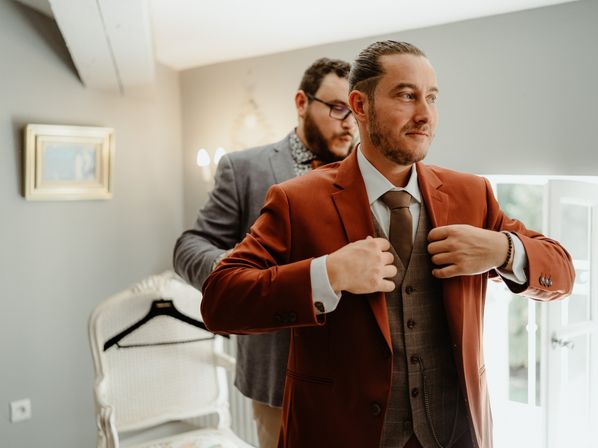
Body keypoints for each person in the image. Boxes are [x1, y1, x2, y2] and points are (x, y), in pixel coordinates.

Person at [200, 41, 575, 448]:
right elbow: (220, 300)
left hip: (455, 435)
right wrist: (328, 274)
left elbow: (562, 272)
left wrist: (504, 250)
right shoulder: (296, 201)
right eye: (407, 95)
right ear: (359, 105)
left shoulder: (472, 195)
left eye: (431, 98)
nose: (425, 114)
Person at [173, 57, 356, 448]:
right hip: (277, 373)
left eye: (356, 109)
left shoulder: (365, 173)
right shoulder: (244, 168)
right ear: (302, 103)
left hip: (355, 375)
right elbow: (189, 245)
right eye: (337, 108)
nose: (349, 122)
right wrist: (233, 272)